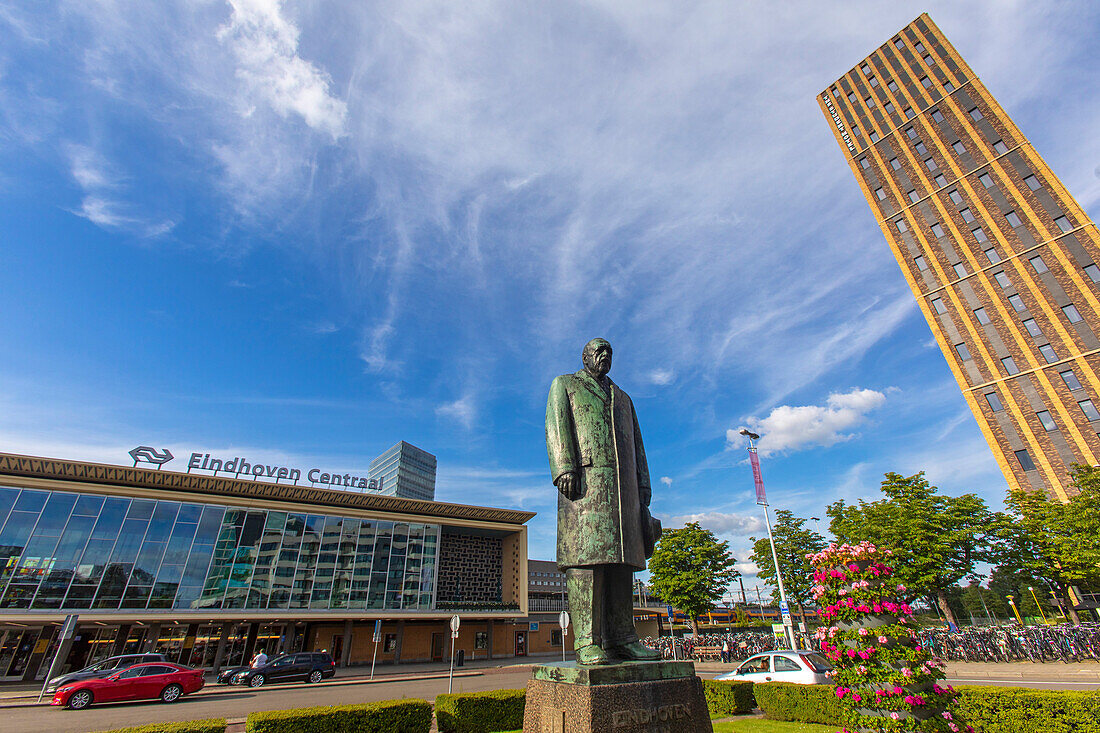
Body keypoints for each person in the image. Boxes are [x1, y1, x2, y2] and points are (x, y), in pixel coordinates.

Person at [546, 338, 663, 665]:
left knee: (622, 564)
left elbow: (638, 445)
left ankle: (624, 639)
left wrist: (643, 487)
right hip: (584, 489)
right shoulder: (565, 385)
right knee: (587, 562)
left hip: (623, 494)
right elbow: (556, 426)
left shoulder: (623, 398)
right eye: (598, 351)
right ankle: (587, 641)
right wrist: (564, 467)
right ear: (584, 357)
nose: (605, 356)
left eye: (609, 352)